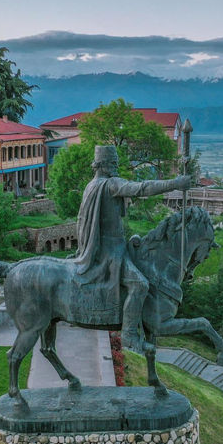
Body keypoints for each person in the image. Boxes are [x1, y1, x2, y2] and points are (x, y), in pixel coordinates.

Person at [74, 145, 192, 352]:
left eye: (117, 163)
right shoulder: (110, 184)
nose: (117, 167)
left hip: (112, 245)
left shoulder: (92, 185)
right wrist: (175, 183)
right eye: (113, 163)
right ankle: (129, 335)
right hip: (111, 250)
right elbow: (141, 188)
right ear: (102, 165)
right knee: (140, 285)